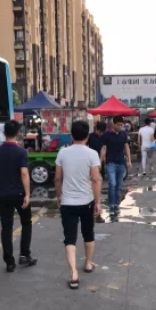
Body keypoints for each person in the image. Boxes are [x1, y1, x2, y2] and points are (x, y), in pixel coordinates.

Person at [55, 121, 101, 290]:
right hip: (86, 201)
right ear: (87, 136)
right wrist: (98, 201)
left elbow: (58, 178)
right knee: (88, 233)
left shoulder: (62, 152)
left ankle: (74, 273)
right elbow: (95, 179)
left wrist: (58, 196)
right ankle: (88, 263)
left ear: (71, 135)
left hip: (67, 202)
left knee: (70, 237)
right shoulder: (92, 154)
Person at [0, 120, 37, 273]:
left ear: (4, 133)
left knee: (6, 227)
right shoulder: (21, 152)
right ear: (18, 134)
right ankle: (24, 255)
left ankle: (9, 262)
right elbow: (24, 173)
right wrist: (27, 194)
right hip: (19, 194)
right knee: (26, 223)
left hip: (4, 195)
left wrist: (1, 180)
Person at [100, 115, 132, 214]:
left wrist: (129, 160)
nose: (120, 126)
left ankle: (116, 204)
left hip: (121, 163)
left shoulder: (123, 134)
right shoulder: (107, 135)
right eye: (118, 124)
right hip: (110, 163)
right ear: (113, 124)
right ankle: (111, 204)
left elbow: (126, 147)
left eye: (121, 125)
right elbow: (104, 148)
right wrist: (100, 161)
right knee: (112, 184)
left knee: (118, 186)